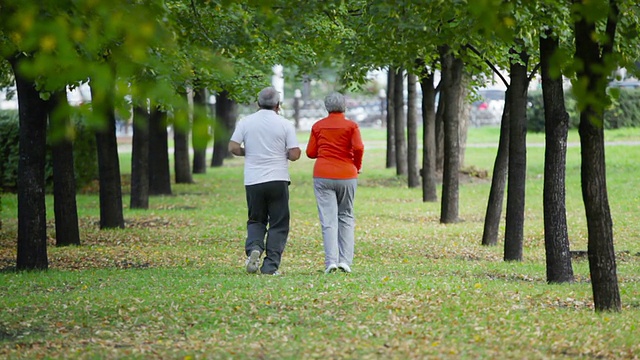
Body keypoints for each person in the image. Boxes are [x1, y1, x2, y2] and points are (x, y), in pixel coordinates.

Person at [228, 86, 301, 275]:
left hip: (253, 180)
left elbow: (233, 147)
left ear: (257, 103)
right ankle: (270, 267)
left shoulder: (246, 122)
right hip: (278, 179)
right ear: (278, 105)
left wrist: (248, 152)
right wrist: (283, 153)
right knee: (278, 223)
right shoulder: (285, 124)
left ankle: (254, 248)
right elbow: (294, 154)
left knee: (256, 220)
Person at [306, 92, 364, 274]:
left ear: (326, 107)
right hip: (347, 174)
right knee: (346, 216)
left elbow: (310, 152)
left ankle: (331, 261)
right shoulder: (351, 126)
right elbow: (359, 147)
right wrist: (356, 165)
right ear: (344, 107)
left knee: (328, 219)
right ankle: (345, 261)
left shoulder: (318, 126)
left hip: (323, 175)